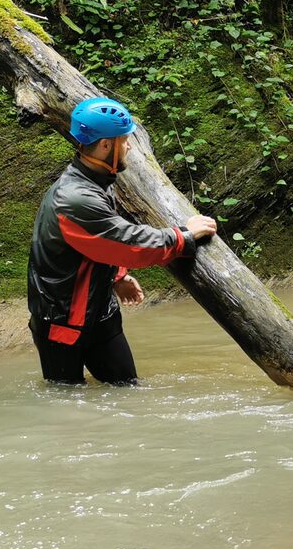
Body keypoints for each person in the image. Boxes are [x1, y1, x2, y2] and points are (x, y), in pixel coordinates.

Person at [27, 97, 217, 384]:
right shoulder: (75, 198)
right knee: (65, 406)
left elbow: (95, 242)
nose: (130, 146)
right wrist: (183, 236)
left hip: (100, 311)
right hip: (62, 322)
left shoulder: (97, 180)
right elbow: (128, 242)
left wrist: (116, 276)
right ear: (106, 145)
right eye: (125, 140)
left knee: (127, 390)